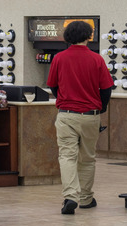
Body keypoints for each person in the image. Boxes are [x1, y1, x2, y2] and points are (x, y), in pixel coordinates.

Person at [47, 20, 114, 215]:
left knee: (67, 155)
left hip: (67, 114)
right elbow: (106, 88)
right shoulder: (96, 59)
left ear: (67, 37)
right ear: (88, 36)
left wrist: (64, 98)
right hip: (90, 115)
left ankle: (70, 196)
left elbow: (53, 86)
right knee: (88, 158)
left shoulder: (59, 58)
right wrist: (101, 108)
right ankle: (86, 198)